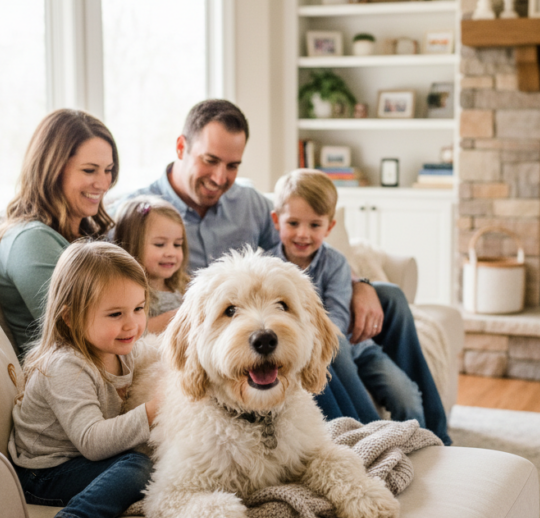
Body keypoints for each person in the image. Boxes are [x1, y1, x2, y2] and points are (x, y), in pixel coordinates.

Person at [115, 99, 450, 443]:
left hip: (268, 307)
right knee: (323, 332)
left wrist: (359, 282)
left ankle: (437, 434)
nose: (220, 178)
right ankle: (367, 440)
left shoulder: (250, 204)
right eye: (210, 161)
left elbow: (300, 247)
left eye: (232, 165)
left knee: (390, 296)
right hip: (220, 325)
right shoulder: (139, 213)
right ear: (181, 147)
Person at [269, 169, 454, 441]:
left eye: (314, 225)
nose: (303, 234)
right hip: (324, 351)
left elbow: (339, 322)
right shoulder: (270, 268)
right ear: (276, 221)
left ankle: (423, 445)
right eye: (293, 223)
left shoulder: (336, 264)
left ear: (330, 227)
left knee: (407, 397)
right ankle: (374, 436)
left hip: (359, 348)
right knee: (333, 343)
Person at [9, 240, 160, 518]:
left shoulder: (120, 348)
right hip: (43, 473)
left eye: (139, 308)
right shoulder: (67, 367)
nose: (132, 324)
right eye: (116, 313)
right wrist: (151, 412)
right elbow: (92, 442)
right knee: (139, 466)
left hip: (78, 458)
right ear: (70, 316)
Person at [0, 109, 119, 354]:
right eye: (89, 170)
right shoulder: (29, 240)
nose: (103, 184)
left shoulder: (84, 232)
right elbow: (87, 334)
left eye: (108, 169)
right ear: (51, 170)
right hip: (66, 377)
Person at [113, 195, 190, 333]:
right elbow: (133, 331)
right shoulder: (127, 293)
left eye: (177, 244)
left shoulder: (183, 285)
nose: (171, 253)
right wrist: (174, 318)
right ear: (132, 245)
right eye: (160, 244)